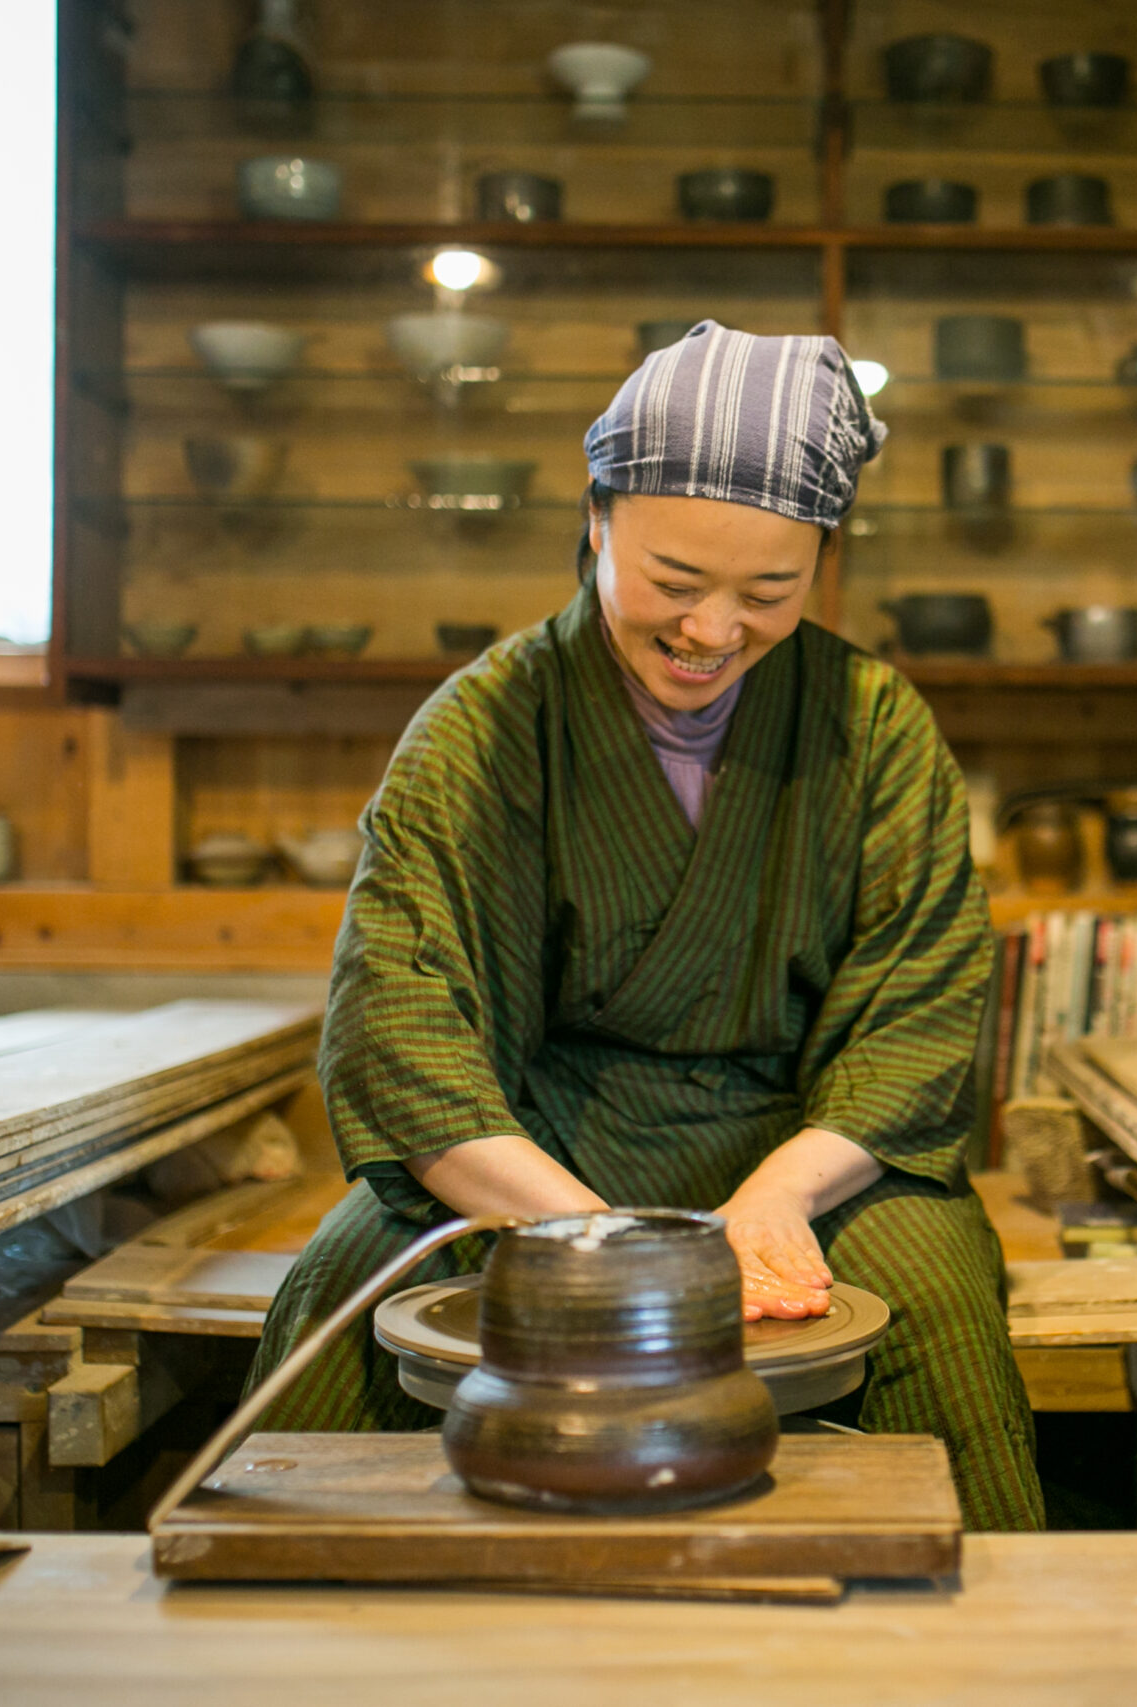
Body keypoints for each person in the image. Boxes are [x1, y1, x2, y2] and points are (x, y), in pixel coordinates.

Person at [248, 322, 1044, 1530]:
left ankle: (974, 1658)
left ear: (823, 563)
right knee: (360, 1275)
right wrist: (593, 1236)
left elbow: (915, 1015)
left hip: (803, 1161)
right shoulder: (483, 727)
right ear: (595, 519)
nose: (712, 631)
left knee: (932, 1290)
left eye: (768, 593)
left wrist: (776, 1199)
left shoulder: (874, 726)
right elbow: (399, 1036)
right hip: (527, 1160)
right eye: (674, 584)